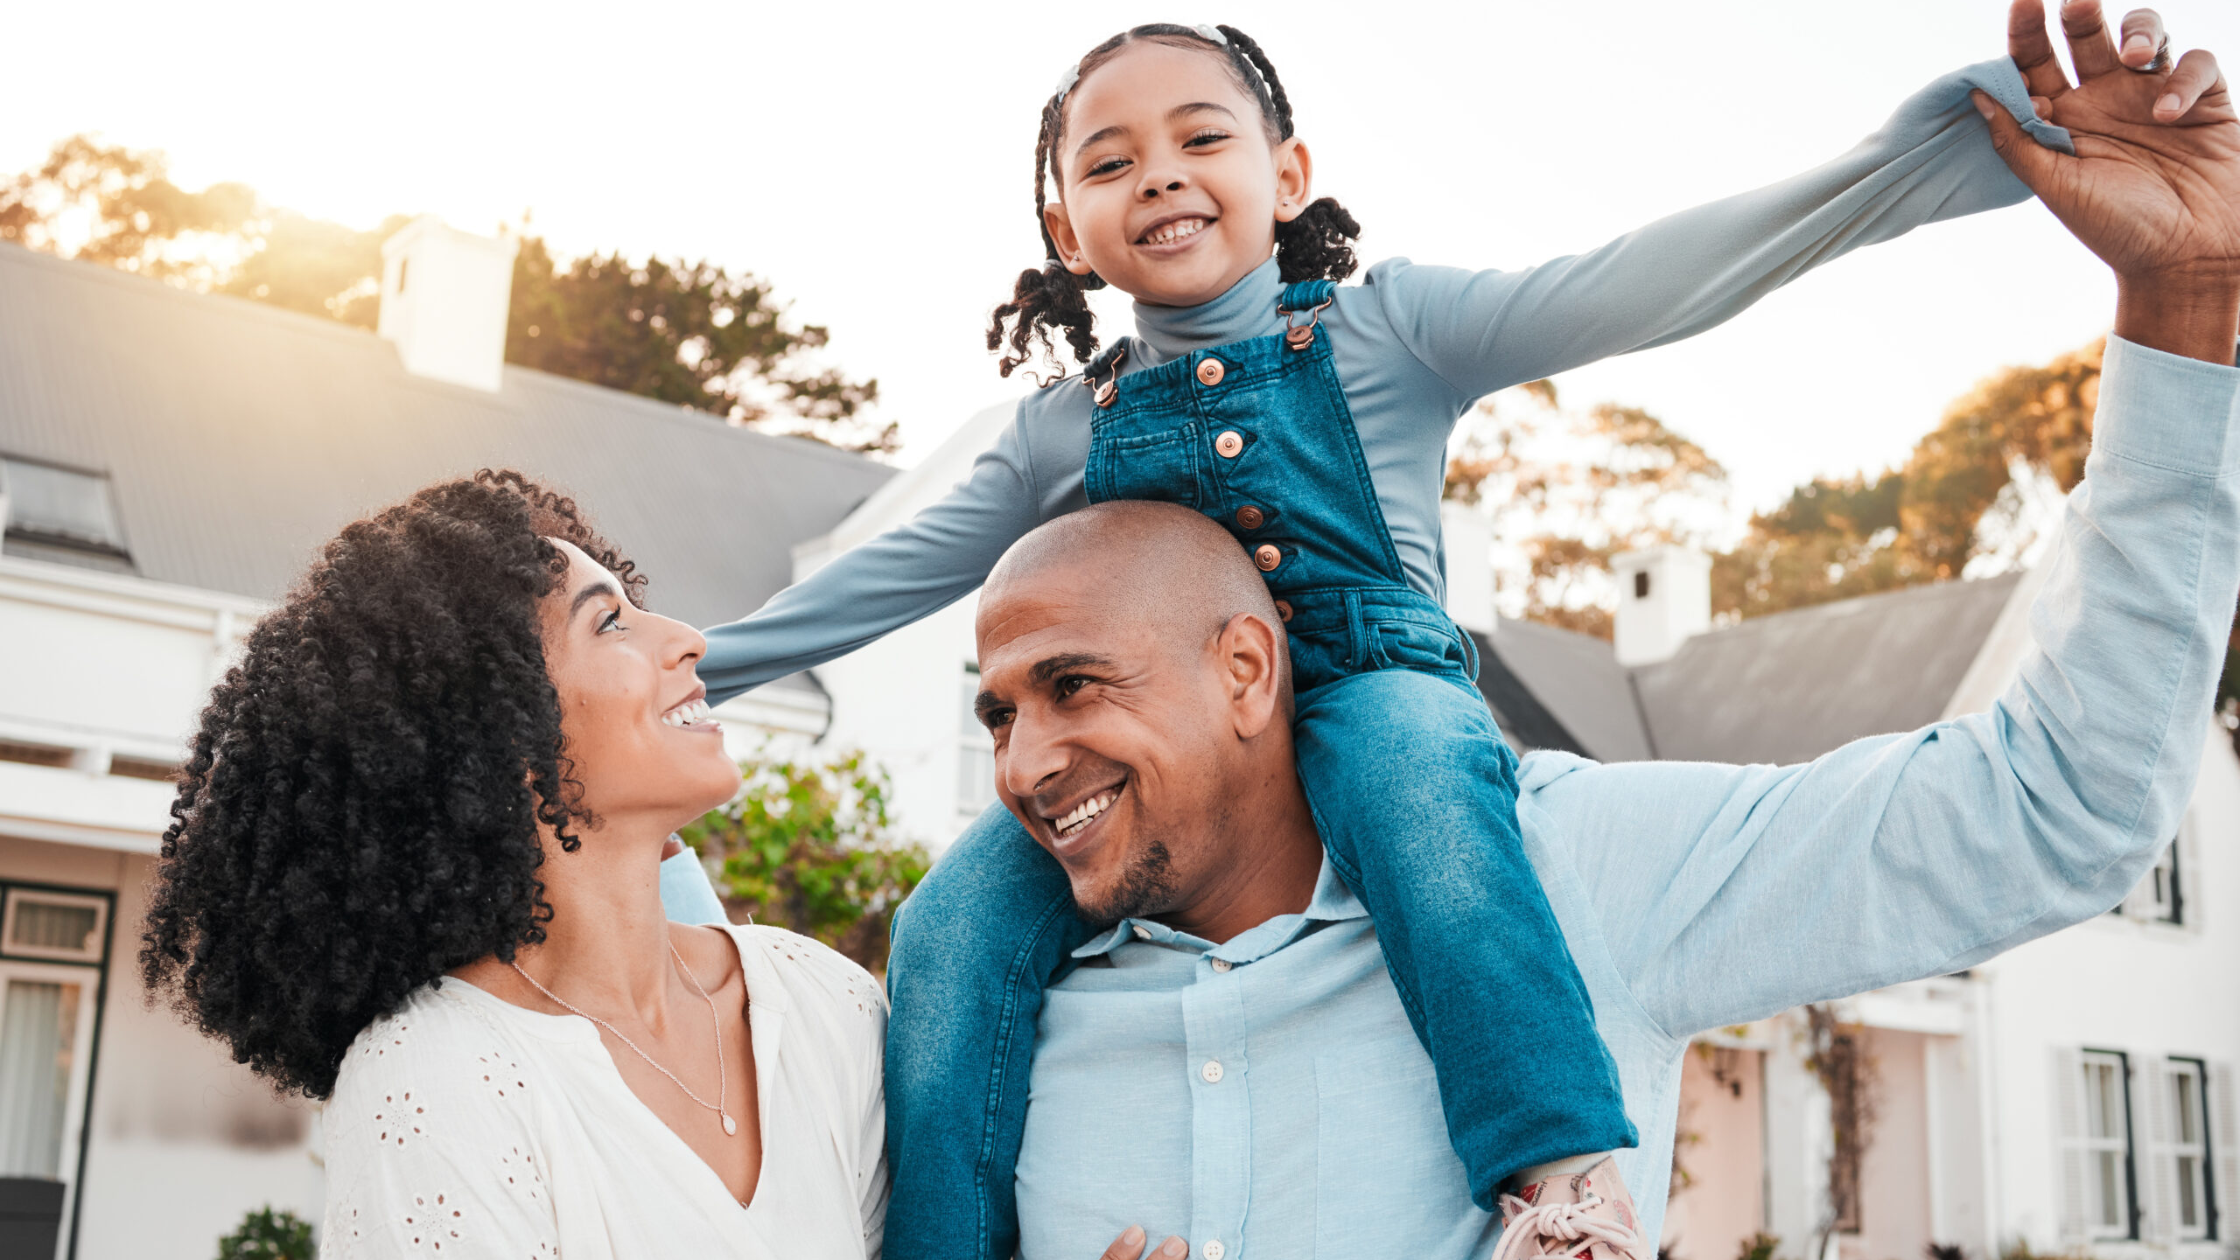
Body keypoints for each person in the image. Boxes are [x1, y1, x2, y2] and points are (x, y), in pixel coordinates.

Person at [689, 7, 2192, 1256]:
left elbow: (1656, 280)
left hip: (1389, 700)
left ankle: (1553, 1169)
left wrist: (1960, 144)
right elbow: (875, 583)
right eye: (1110, 159)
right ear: (1064, 226)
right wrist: (680, 674)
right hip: (1193, 761)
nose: (1161, 174)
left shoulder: (1388, 333)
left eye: (1202, 138)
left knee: (1419, 799)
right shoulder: (1057, 437)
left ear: (1289, 173)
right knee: (952, 919)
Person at [138, 472, 888, 1257]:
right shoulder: (434, 1080)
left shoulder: (822, 1001)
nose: (687, 640)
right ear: (498, 739)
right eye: (609, 625)